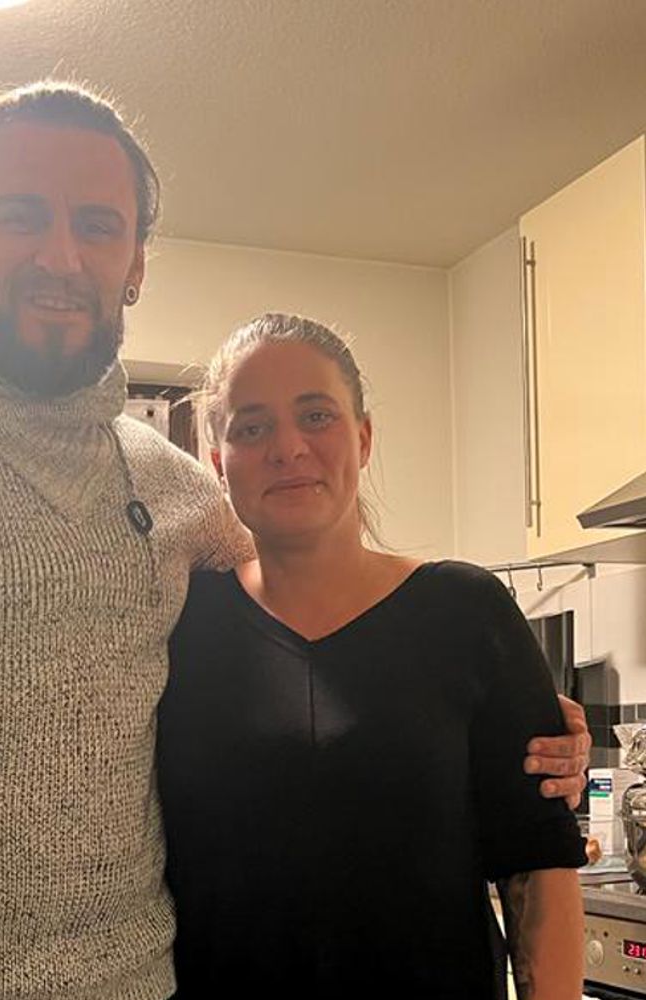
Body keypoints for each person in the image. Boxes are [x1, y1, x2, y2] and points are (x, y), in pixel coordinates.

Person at [0, 83, 588, 1000]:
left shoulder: (174, 489)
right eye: (23, 216)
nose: (60, 255)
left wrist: (520, 723)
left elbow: (316, 610)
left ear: (136, 262)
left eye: (97, 225)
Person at [157, 313, 586, 1000]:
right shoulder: (179, 623)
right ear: (217, 464)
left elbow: (539, 865)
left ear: (362, 438)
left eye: (316, 415)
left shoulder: (466, 612)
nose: (287, 447)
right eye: (252, 427)